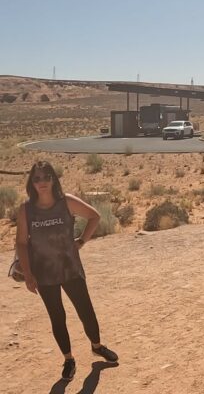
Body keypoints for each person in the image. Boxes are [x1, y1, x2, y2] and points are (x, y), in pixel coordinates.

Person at [15, 161, 119, 382]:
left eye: (46, 177)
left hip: (70, 268)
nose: (42, 182)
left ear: (54, 179)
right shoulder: (26, 210)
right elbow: (22, 243)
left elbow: (94, 216)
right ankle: (68, 359)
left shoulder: (67, 202)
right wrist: (28, 274)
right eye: (37, 178)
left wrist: (81, 241)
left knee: (86, 311)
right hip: (44, 273)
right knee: (57, 316)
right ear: (31, 183)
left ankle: (97, 346)